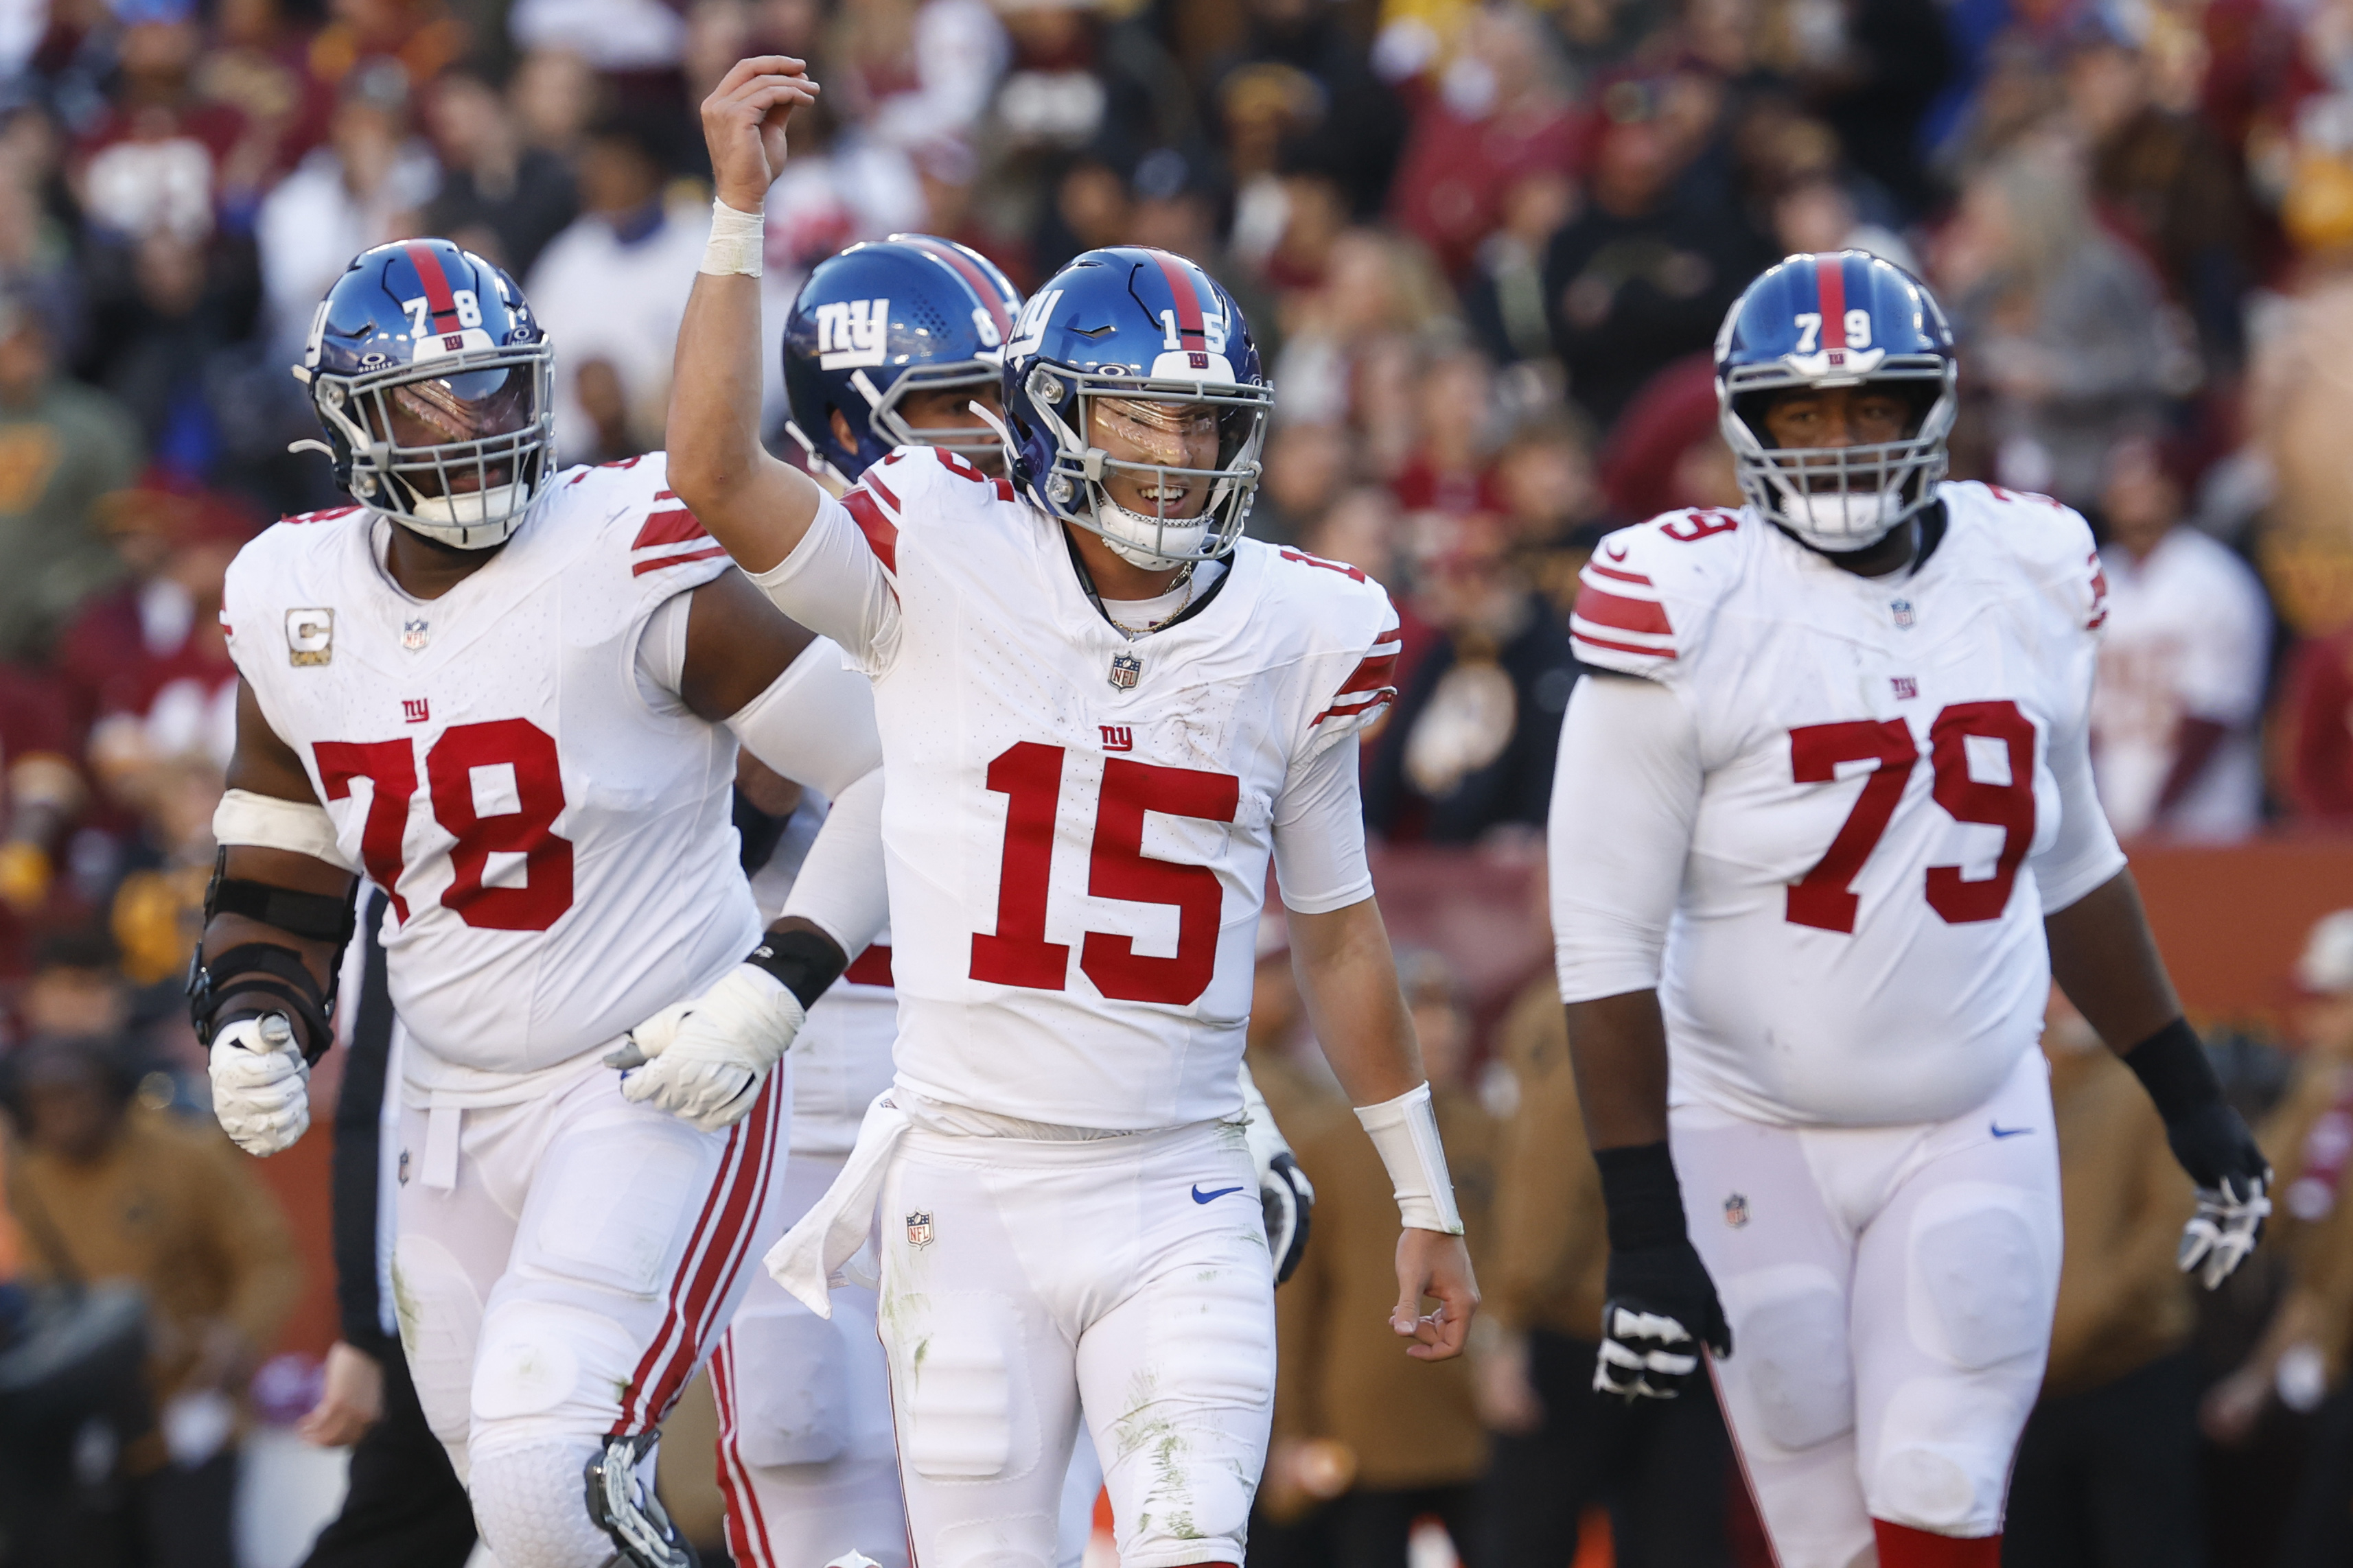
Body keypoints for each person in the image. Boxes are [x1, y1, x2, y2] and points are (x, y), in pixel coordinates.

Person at [667, 54, 1479, 1568]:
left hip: (1175, 1179)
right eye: (1139, 418)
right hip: (965, 1180)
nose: (1174, 458)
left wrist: (1418, 1185)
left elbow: (1346, 933)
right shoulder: (938, 549)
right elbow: (713, 472)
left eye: (1202, 423)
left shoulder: (1301, 626)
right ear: (1048, 419)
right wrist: (734, 214)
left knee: (1184, 1542)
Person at [1544, 250, 2271, 1568]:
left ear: (1930, 408)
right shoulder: (1683, 603)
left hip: (1969, 1113)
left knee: (1940, 1496)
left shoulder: (2029, 564)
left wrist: (2189, 1094)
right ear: (1743, 423)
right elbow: (1601, 946)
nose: (1836, 442)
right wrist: (1641, 1222)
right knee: (1823, 1540)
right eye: (1804, 414)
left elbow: (2071, 861)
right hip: (1744, 1127)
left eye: (1869, 407)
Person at [192, 236, 888, 1568]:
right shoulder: (290, 596)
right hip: (441, 1111)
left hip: (643, 1075)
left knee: (540, 1470)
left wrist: (774, 980)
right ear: (346, 422)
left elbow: (886, 772)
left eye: (496, 392)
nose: (472, 430)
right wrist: (253, 1009)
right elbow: (282, 863)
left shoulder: (628, 546)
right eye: (428, 402)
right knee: (509, 1523)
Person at [715, 233, 1321, 1568]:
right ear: (844, 418)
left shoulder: (1064, 572)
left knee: (1072, 1500)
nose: (998, 434)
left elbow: (1128, 891)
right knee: (808, 1458)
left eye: (1009, 395)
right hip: (792, 1088)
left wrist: (1234, 1102)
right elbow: (774, 805)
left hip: (1032, 1101)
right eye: (951, 405)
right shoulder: (787, 570)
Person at [4, 1031, 302, 1568]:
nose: (62, 1113)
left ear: (114, 1090)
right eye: (44, 1101)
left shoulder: (190, 1155)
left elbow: (269, 1257)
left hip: (192, 1403)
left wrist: (238, 1338)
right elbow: (46, 1293)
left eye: (74, 1094)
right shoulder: (28, 1178)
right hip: (95, 1416)